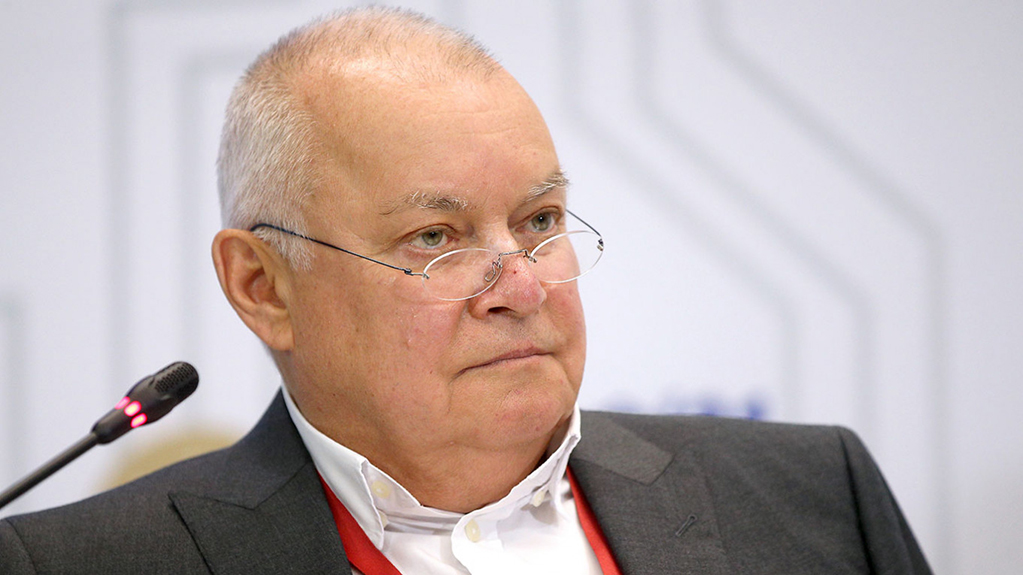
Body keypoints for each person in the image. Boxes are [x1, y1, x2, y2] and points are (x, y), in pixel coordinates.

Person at [0, 7, 931, 574]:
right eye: (434, 238)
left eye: (539, 219)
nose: (520, 285)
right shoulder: (76, 562)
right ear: (264, 287)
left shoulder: (810, 495)